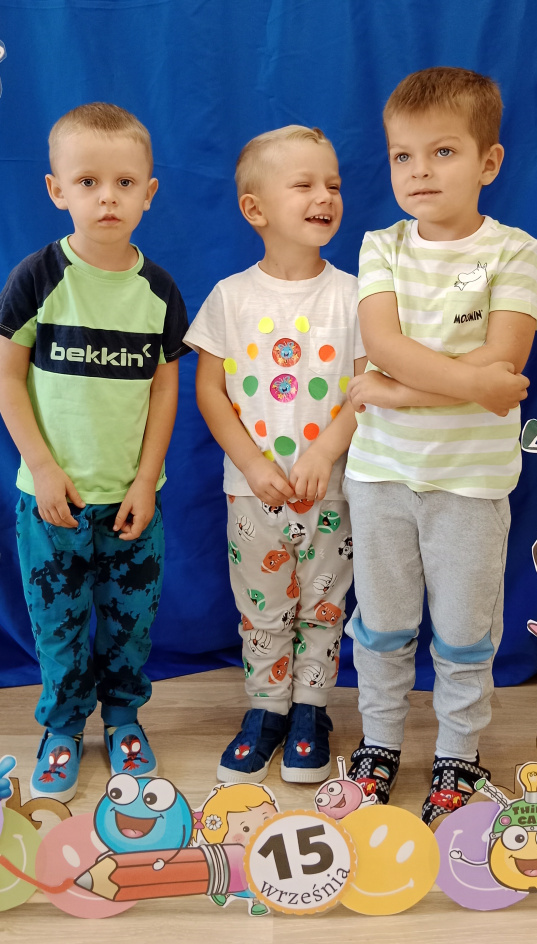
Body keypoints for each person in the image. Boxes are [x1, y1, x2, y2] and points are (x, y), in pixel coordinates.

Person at [343, 68, 537, 826]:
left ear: (488, 163)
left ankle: (459, 753)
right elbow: (384, 343)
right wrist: (468, 384)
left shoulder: (513, 250)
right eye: (403, 156)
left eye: (443, 152)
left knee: (464, 634)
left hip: (470, 483)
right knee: (383, 627)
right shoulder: (382, 245)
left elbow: (505, 366)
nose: (419, 171)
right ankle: (380, 745)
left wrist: (397, 392)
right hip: (381, 477)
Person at [0, 102, 188, 801]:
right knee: (60, 627)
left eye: (125, 183)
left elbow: (165, 390)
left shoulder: (158, 290)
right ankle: (64, 727)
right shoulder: (39, 276)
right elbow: (6, 380)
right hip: (54, 504)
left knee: (130, 625)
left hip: (131, 501)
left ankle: (124, 718)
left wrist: (145, 481)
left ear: (148, 193)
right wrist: (43, 468)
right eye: (88, 182)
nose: (108, 197)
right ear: (57, 190)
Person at [186, 126, 365, 785]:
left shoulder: (355, 295)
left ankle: (311, 710)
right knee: (262, 607)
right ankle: (267, 708)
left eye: (333, 184)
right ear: (255, 208)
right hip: (252, 492)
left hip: (331, 490)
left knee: (324, 603)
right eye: (305, 184)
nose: (325, 196)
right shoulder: (230, 297)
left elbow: (368, 387)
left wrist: (324, 451)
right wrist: (253, 464)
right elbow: (209, 391)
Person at [194, 782, 278, 915]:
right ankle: (224, 893)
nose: (257, 830)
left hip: (260, 876)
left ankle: (256, 902)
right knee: (229, 876)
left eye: (266, 819)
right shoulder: (229, 852)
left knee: (258, 883)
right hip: (233, 874)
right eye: (245, 829)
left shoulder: (271, 845)